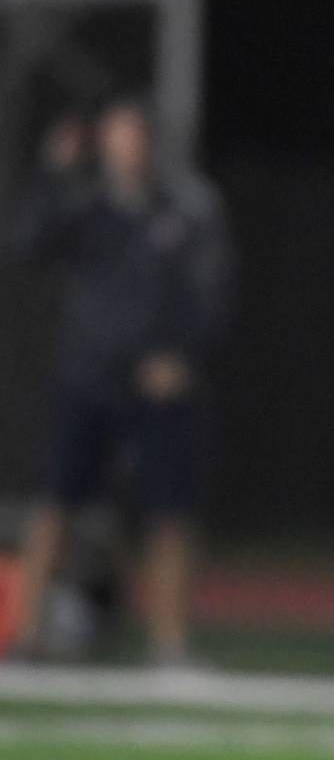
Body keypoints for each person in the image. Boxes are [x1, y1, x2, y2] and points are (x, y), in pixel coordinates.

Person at [6, 97, 232, 668]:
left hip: (160, 384)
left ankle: (171, 646)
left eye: (134, 134)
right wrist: (53, 171)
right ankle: (28, 634)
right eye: (115, 134)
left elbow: (212, 290)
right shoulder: (83, 207)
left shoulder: (186, 208)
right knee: (55, 502)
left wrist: (180, 354)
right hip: (87, 377)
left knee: (170, 512)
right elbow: (26, 243)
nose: (125, 146)